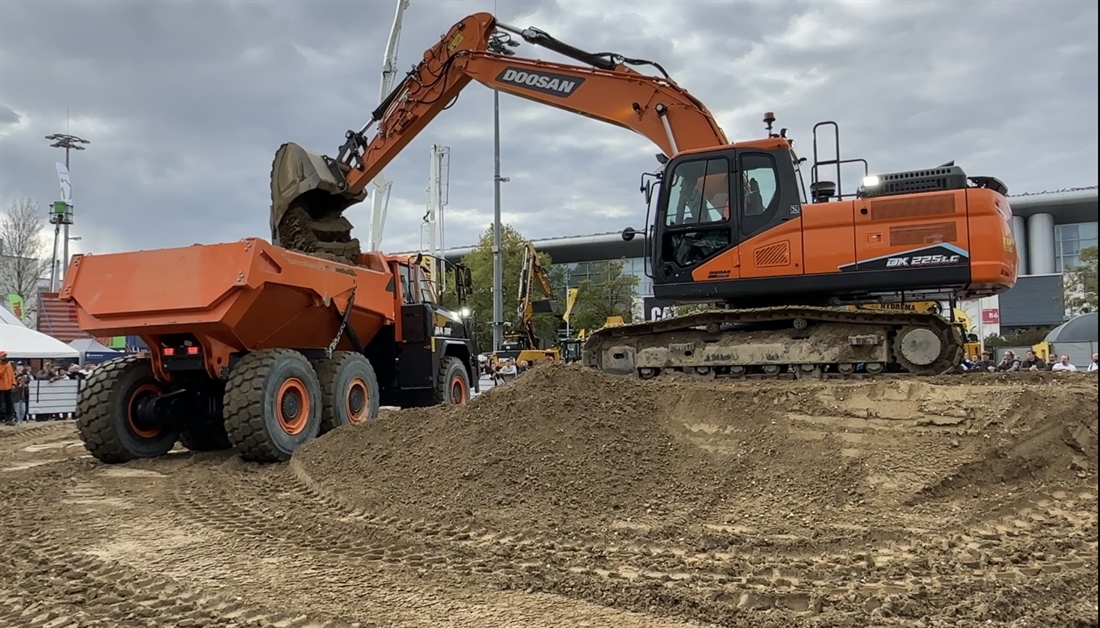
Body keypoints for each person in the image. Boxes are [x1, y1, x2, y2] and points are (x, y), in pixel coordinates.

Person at [0, 351, 15, 425]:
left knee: (10, 403)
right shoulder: (4, 366)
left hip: (8, 387)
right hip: (0, 387)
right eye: (3, 356)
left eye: (5, 355)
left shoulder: (9, 364)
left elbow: (12, 375)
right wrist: (4, 368)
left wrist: (13, 383)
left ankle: (9, 419)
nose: (5, 357)